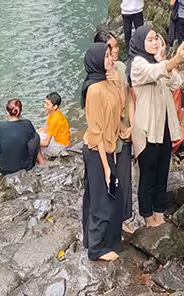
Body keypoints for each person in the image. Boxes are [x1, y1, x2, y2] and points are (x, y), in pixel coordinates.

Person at [127, 25, 184, 226]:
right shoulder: (138, 64)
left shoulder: (158, 62)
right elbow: (153, 73)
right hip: (146, 129)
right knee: (148, 173)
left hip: (163, 126)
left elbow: (176, 83)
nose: (155, 42)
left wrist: (168, 63)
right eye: (150, 40)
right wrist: (174, 60)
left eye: (156, 39)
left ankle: (159, 212)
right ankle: (147, 217)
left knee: (163, 170)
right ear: (140, 43)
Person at [81, 41, 129, 261]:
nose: (111, 59)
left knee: (107, 196)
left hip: (109, 148)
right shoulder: (93, 90)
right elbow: (96, 131)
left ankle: (103, 240)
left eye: (111, 55)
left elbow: (119, 110)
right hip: (96, 150)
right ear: (96, 61)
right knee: (102, 199)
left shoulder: (108, 82)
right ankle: (96, 249)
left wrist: (118, 84)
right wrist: (106, 166)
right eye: (107, 56)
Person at [94, 28, 134, 225]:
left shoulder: (119, 67)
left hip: (126, 130)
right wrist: (120, 126)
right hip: (109, 136)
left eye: (117, 47)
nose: (116, 52)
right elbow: (106, 111)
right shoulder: (97, 77)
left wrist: (131, 126)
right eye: (111, 48)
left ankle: (124, 217)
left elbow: (128, 98)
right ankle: (111, 221)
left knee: (125, 177)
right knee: (110, 177)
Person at [0, 99, 40, 174]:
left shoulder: (0, 125)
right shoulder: (27, 124)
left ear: (7, 112)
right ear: (20, 111)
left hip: (2, 168)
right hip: (24, 167)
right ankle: (40, 162)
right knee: (36, 136)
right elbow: (32, 139)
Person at [39, 92, 71, 158]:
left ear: (55, 106)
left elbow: (46, 143)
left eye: (47, 104)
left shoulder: (55, 119)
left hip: (59, 147)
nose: (45, 106)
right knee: (34, 136)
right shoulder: (54, 113)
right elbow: (44, 130)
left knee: (33, 142)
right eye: (45, 103)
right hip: (59, 142)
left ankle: (41, 161)